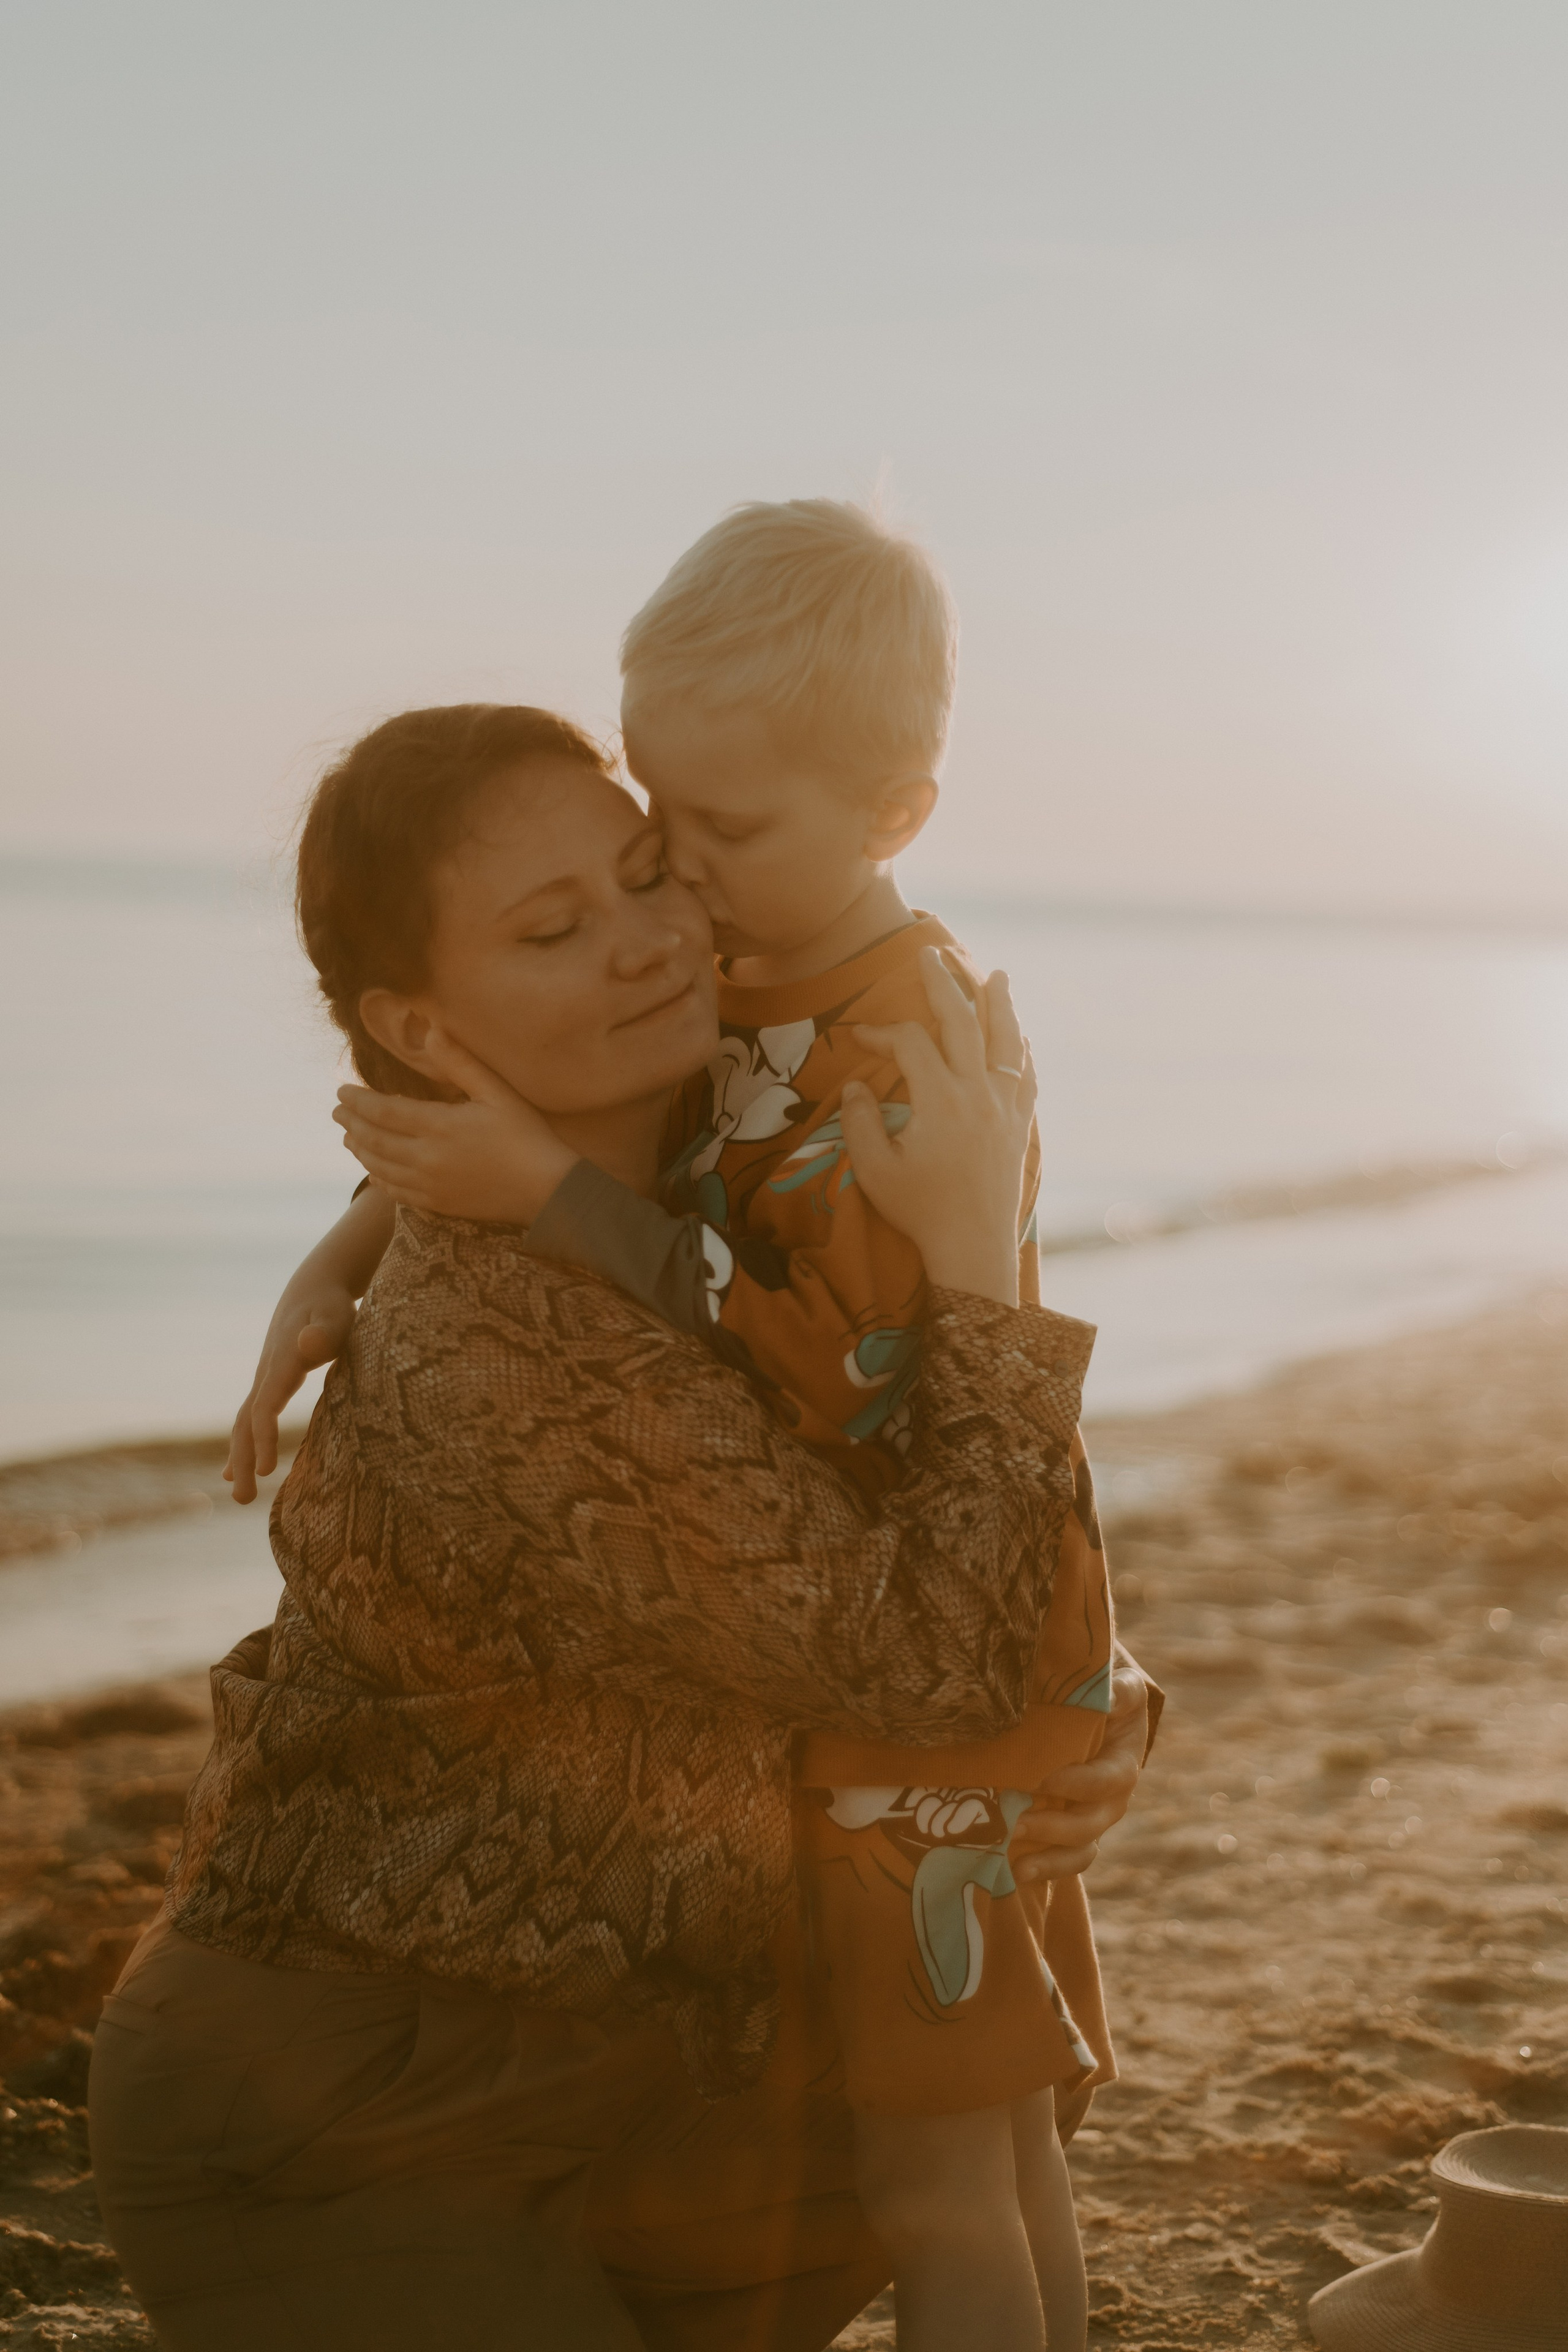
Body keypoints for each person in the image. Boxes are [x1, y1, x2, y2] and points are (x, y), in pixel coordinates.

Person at [96, 702, 1151, 2352]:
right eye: (553, 930)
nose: (651, 943)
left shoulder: (729, 1138)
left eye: (653, 875)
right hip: (343, 2125)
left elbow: (876, 1468)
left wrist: (1105, 1692)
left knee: (993, 1980)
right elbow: (932, 1653)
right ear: (424, 1032)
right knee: (946, 1884)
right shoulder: (505, 1345)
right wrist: (972, 1272)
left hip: (632, 2071)